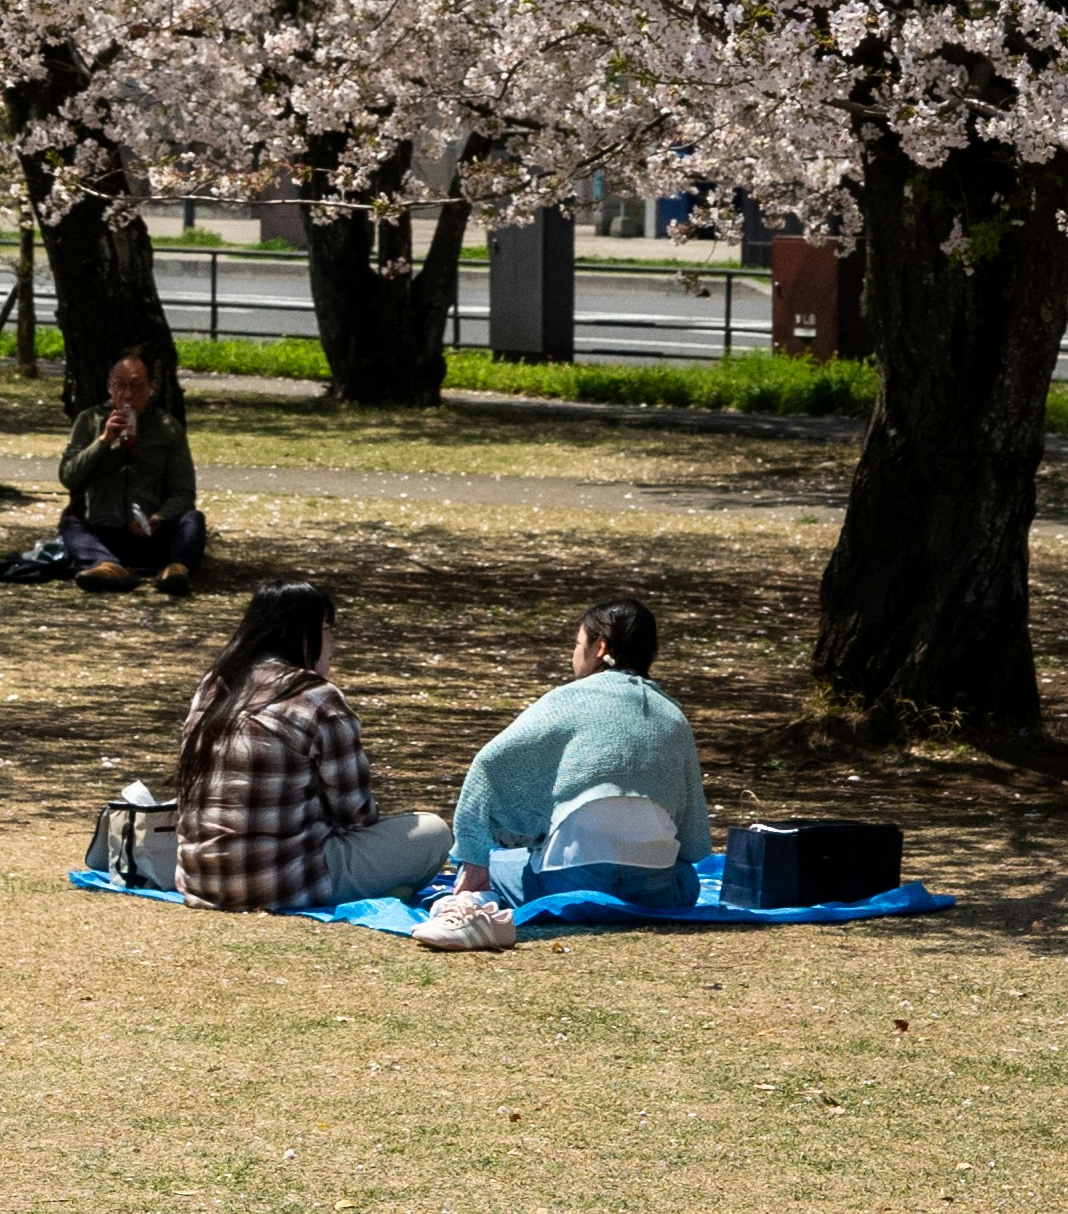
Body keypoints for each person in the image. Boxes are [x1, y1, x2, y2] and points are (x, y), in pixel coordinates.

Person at [172, 583, 448, 914]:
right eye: (328, 630)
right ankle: (382, 886)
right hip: (285, 884)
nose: (333, 642)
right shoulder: (317, 696)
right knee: (433, 832)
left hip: (199, 882)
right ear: (304, 634)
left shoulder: (214, 686)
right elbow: (355, 813)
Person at [433, 598, 714, 924]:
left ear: (600, 647)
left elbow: (488, 764)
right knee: (686, 879)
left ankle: (477, 901)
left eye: (578, 643)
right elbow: (693, 844)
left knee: (501, 865)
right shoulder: (673, 716)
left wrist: (476, 859)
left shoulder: (564, 701)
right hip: (653, 889)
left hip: (568, 880)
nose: (573, 654)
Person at [54, 343, 205, 590]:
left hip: (151, 535)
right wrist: (103, 441)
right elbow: (69, 477)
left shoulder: (168, 428)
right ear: (108, 386)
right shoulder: (89, 420)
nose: (127, 395)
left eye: (135, 386)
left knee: (193, 520)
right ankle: (106, 566)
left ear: (151, 387)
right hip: (104, 533)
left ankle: (176, 570)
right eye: (119, 386)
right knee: (70, 523)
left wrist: (158, 517)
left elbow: (184, 492)